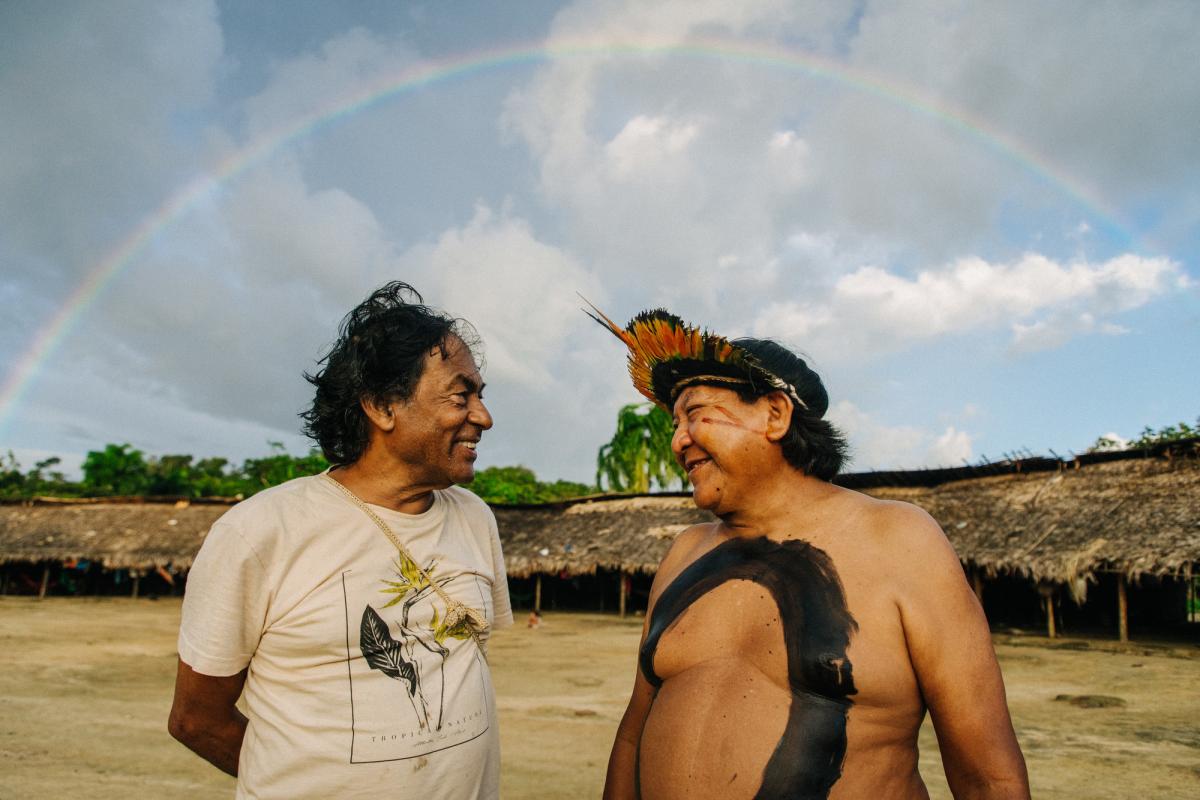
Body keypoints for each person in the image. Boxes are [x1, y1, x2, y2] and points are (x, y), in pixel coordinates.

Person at [589, 306, 1029, 799]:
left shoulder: (899, 539)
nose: (677, 441)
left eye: (694, 414)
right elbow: (633, 734)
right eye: (675, 422)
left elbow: (987, 776)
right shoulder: (685, 552)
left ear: (775, 415)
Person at [169, 282, 512, 799]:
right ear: (382, 406)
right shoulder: (261, 532)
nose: (483, 417)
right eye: (461, 396)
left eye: (481, 396)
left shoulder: (474, 518)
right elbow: (196, 719)